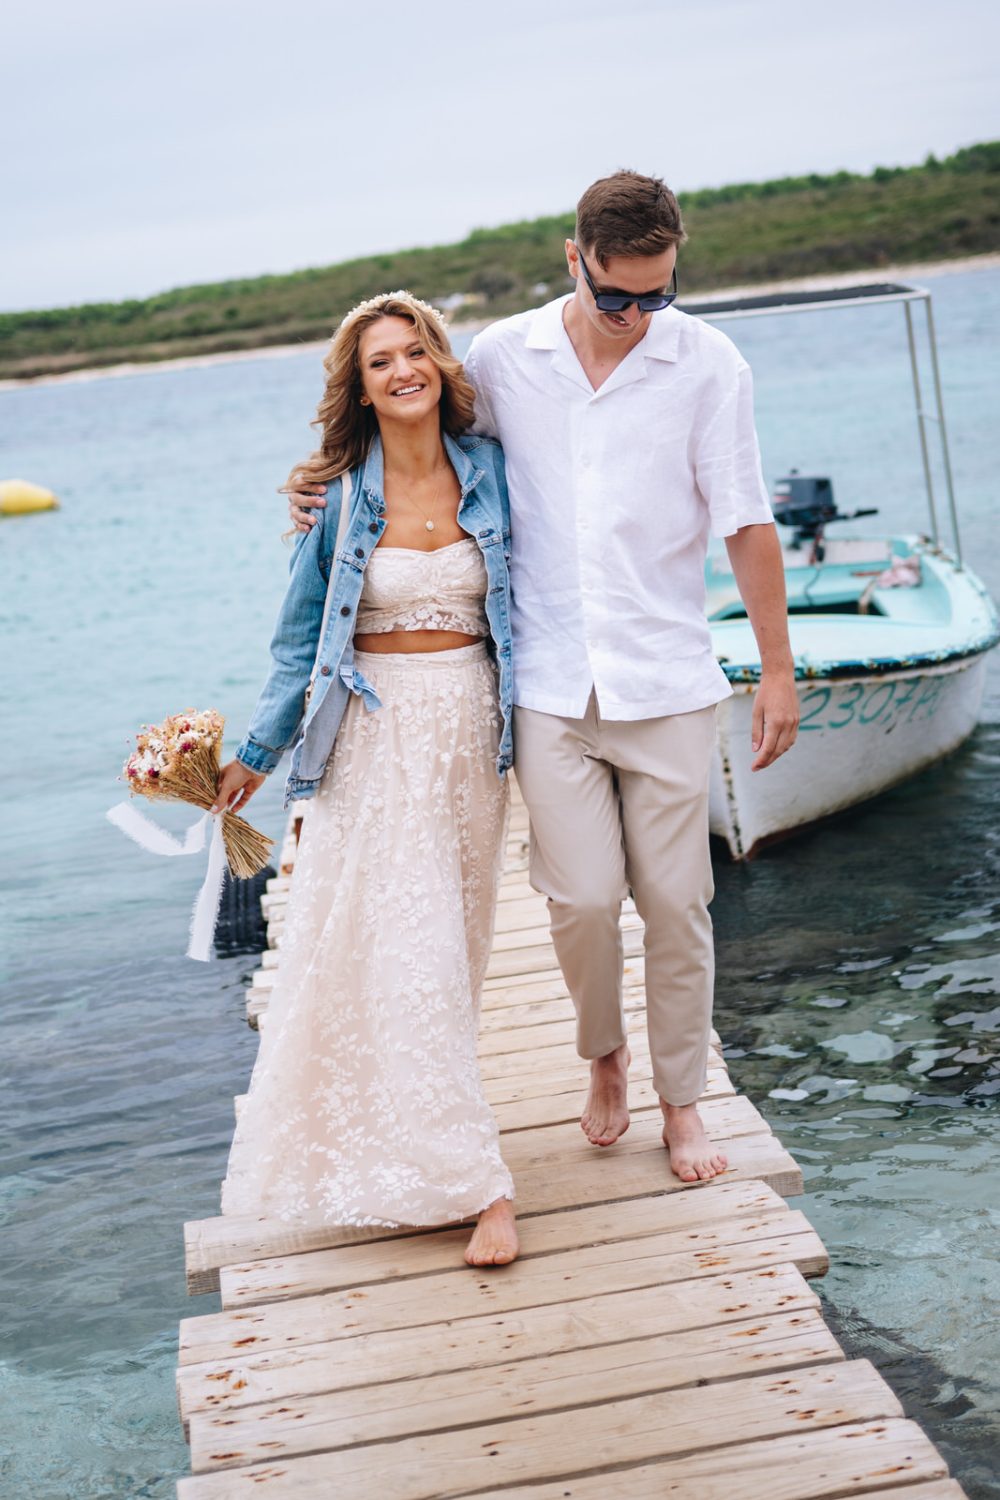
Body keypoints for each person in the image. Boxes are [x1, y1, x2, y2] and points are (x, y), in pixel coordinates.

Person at [288, 171, 800, 1186]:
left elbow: (745, 520)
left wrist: (777, 670)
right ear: (575, 260)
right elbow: (426, 450)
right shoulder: (502, 359)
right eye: (619, 297)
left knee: (676, 904)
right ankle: (603, 1055)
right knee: (576, 899)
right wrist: (327, 491)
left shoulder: (707, 364)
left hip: (665, 678)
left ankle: (683, 1102)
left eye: (658, 295)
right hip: (550, 683)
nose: (639, 318)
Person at [213, 291, 519, 1266]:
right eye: (380, 361)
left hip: (472, 736)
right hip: (373, 739)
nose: (402, 370)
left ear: (437, 360)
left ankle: (414, 1149)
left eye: (414, 350)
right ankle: (481, 1189)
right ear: (362, 387)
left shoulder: (496, 473)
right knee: (410, 945)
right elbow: (297, 639)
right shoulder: (339, 496)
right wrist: (254, 757)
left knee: (451, 957)